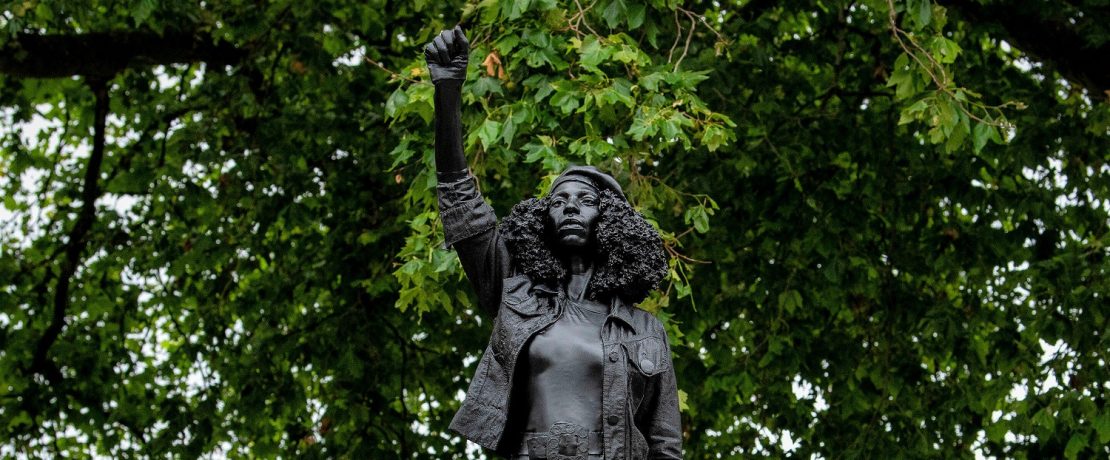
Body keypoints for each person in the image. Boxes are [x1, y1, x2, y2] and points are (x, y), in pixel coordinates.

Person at [425, 26, 682, 459]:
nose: (569, 207)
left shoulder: (644, 330)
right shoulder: (515, 293)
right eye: (558, 201)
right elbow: (461, 203)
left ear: (612, 222)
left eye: (585, 201)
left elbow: (665, 444)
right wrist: (447, 91)